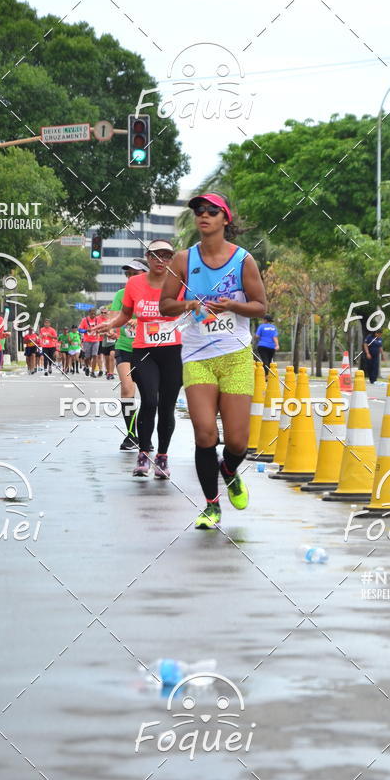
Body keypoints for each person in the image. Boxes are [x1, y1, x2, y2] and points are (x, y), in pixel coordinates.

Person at [159, 192, 267, 529]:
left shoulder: (243, 260)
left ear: (225, 220)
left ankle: (229, 470)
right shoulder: (182, 259)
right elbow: (165, 305)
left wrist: (233, 306)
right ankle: (210, 505)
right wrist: (188, 305)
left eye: (211, 211)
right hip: (197, 357)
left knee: (237, 442)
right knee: (205, 434)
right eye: (198, 212)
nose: (203, 216)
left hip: (234, 356)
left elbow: (261, 306)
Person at [100, 240, 182, 477]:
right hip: (144, 350)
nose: (161, 260)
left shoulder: (179, 283)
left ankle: (163, 457)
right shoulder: (134, 284)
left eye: (166, 256)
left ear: (172, 259)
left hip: (173, 350)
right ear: (148, 257)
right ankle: (144, 453)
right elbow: (125, 314)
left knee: (167, 406)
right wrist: (110, 324)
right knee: (149, 401)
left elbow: (190, 311)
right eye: (156, 255)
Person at [109, 259, 147, 449]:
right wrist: (111, 327)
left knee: (150, 396)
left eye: (135, 273)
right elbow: (113, 318)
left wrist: (139, 322)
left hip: (148, 350)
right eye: (128, 274)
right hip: (124, 346)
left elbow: (165, 318)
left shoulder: (154, 294)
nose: (131, 277)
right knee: (126, 387)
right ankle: (131, 435)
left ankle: (145, 436)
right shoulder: (121, 295)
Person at [79, 308, 99, 376]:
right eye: (91, 314)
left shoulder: (97, 320)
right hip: (87, 341)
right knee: (87, 357)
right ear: (89, 313)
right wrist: (86, 330)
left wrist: (98, 330)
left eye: (94, 314)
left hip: (96, 340)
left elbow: (101, 327)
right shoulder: (84, 320)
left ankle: (92, 372)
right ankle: (87, 367)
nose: (93, 315)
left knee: (95, 355)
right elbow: (79, 329)